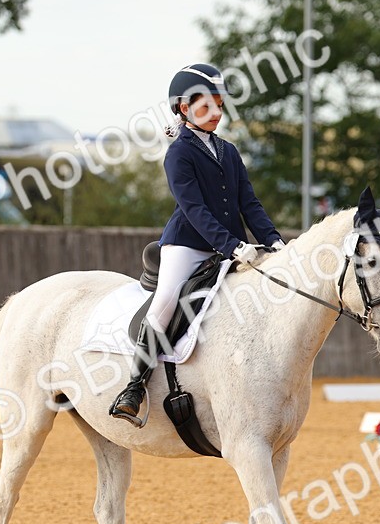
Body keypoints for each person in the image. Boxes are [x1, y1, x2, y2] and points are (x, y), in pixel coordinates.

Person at [109, 63, 286, 427]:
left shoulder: (229, 151)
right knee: (166, 301)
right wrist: (233, 245)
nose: (216, 113)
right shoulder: (179, 153)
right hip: (187, 245)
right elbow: (194, 209)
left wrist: (275, 242)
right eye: (207, 106)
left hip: (232, 245)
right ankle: (134, 387)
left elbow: (248, 204)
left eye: (220, 105)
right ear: (184, 108)